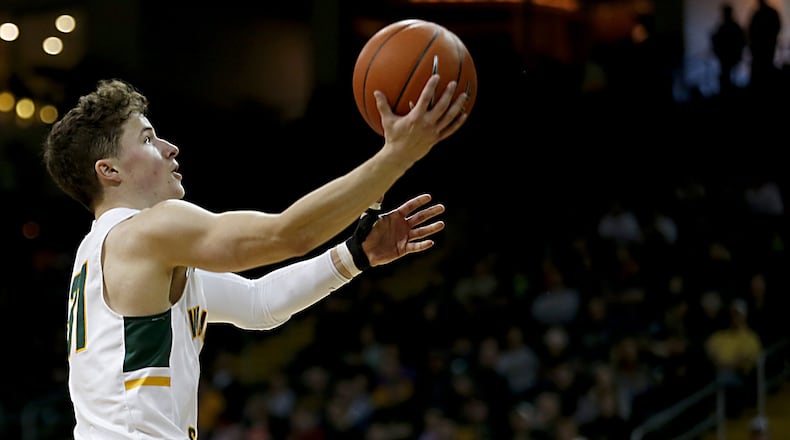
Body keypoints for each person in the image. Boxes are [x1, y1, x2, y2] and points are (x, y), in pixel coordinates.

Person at [43, 76, 468, 439]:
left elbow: (258, 304)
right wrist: (398, 155)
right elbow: (288, 234)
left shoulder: (109, 251)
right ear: (109, 171)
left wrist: (356, 254)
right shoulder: (147, 230)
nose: (171, 148)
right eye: (149, 139)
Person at [711, 3, 746, 95]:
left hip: (729, 57)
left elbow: (742, 41)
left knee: (727, 77)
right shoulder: (731, 27)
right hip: (728, 58)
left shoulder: (726, 27)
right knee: (728, 77)